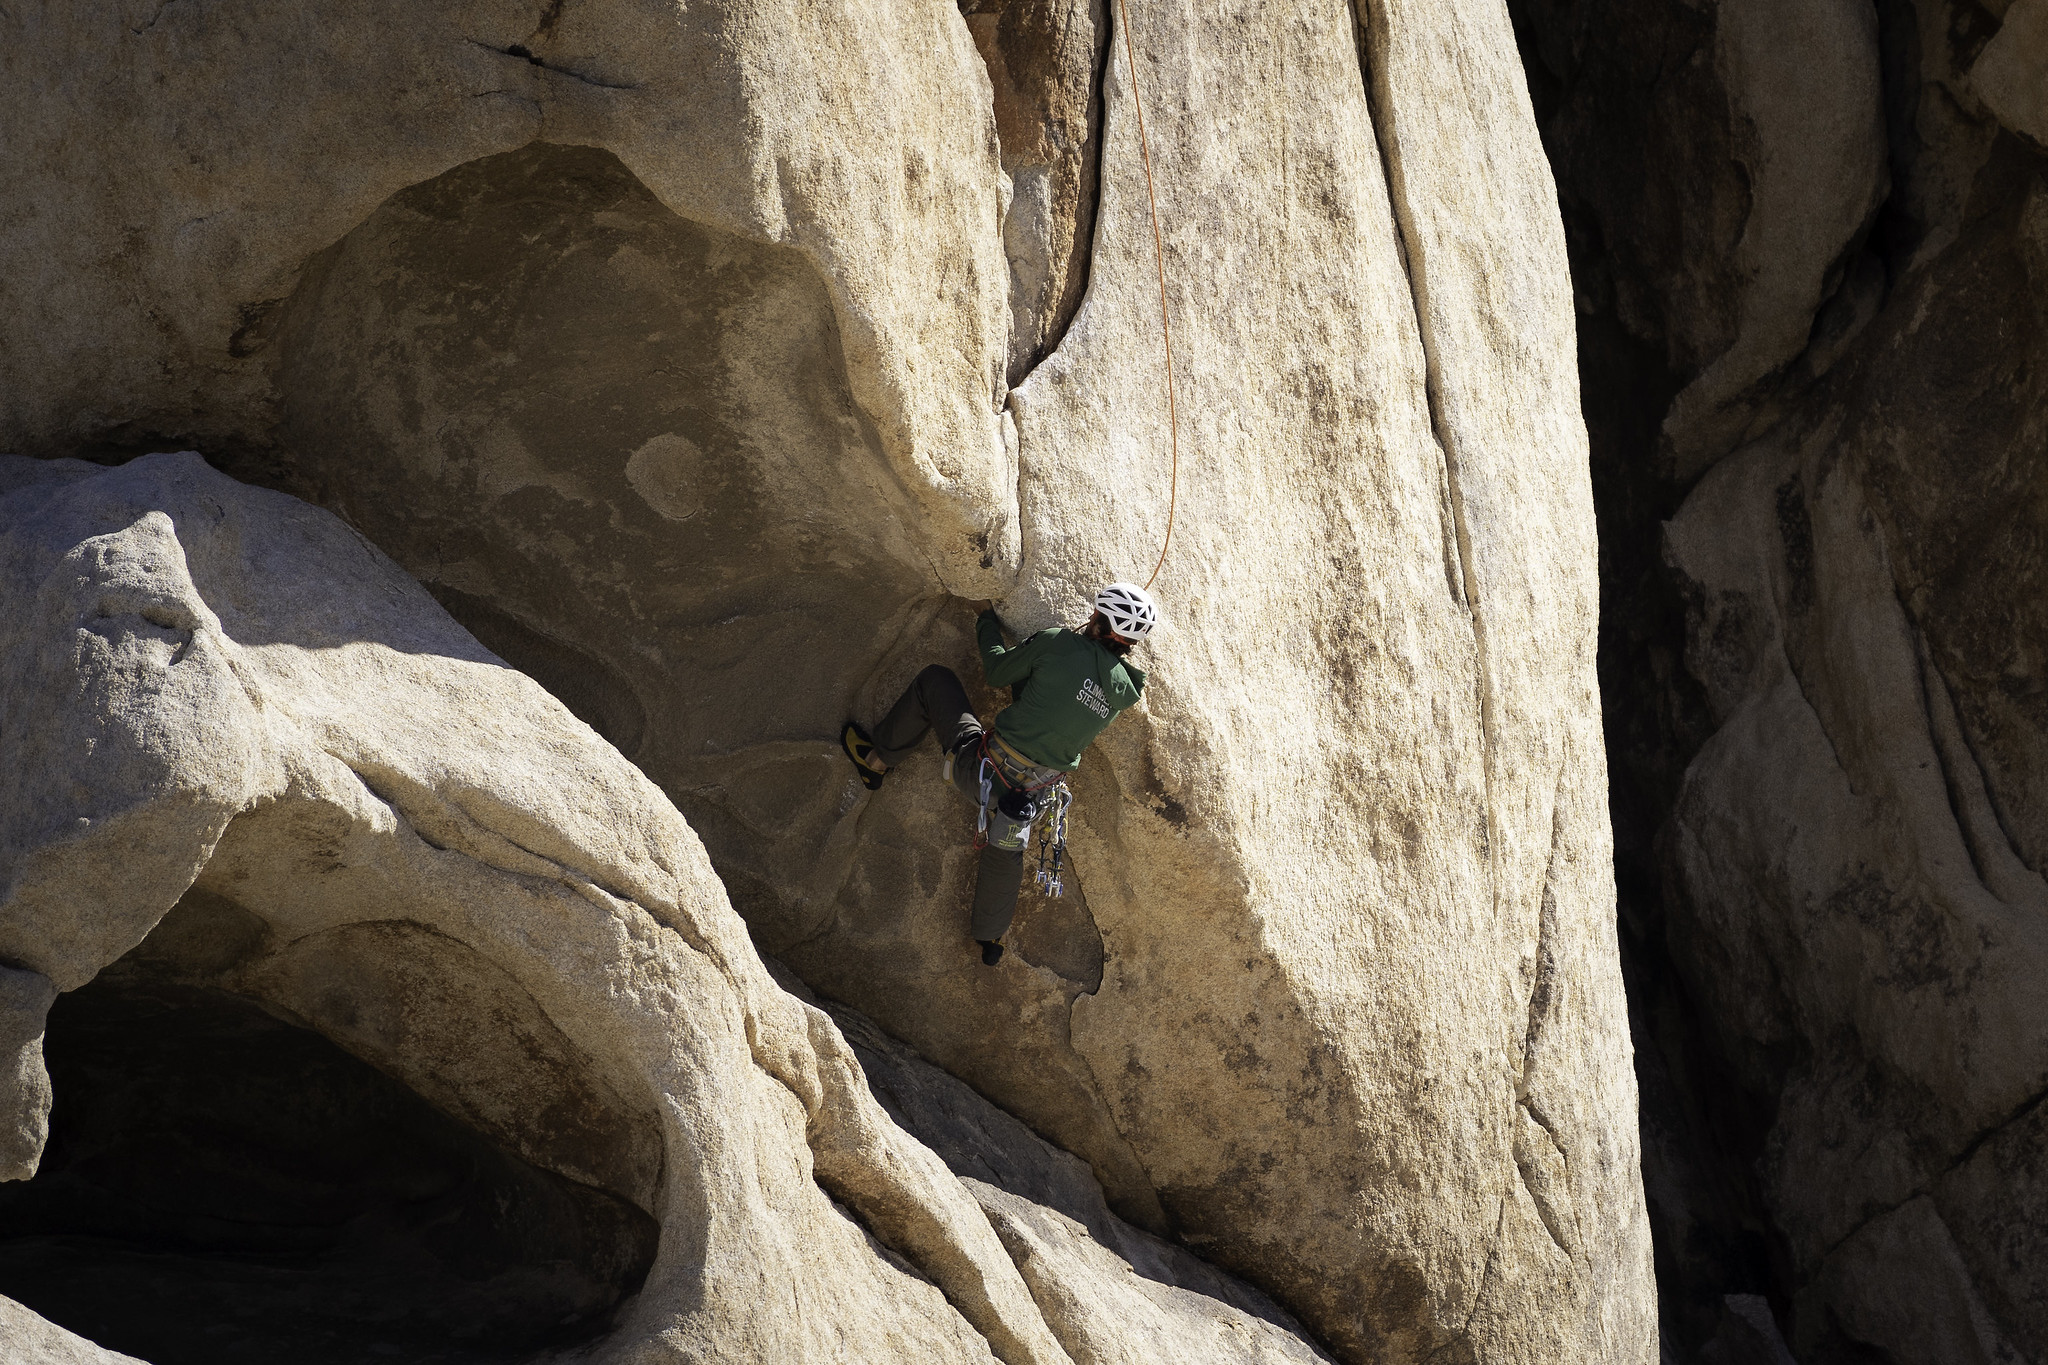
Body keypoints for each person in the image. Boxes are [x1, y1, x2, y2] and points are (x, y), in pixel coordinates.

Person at [842, 582, 1159, 965]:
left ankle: (875, 762)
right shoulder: (1123, 690)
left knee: (935, 681)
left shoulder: (1059, 643)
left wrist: (985, 619)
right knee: (1005, 851)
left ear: (1099, 622)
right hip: (1033, 799)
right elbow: (1046, 704)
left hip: (980, 770)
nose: (1090, 616)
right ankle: (989, 939)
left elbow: (995, 671)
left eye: (1095, 614)